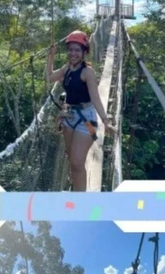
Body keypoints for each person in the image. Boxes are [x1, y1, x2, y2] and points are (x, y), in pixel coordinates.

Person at [46, 30, 116, 191]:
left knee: (77, 162)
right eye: (70, 49)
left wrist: (106, 121)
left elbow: (96, 98)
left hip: (87, 121)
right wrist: (51, 56)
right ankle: (77, 188)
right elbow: (49, 78)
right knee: (72, 160)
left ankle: (80, 201)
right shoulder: (67, 69)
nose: (73, 53)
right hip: (68, 117)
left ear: (84, 52)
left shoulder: (87, 72)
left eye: (77, 50)